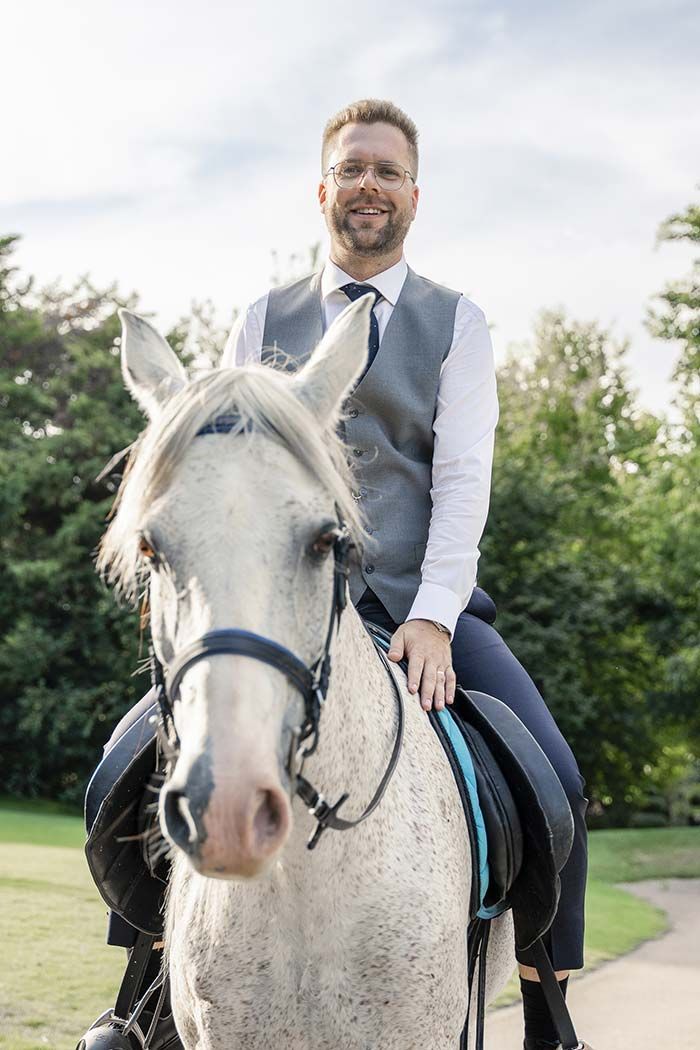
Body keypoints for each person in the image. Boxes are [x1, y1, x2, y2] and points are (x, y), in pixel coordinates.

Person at [78, 99, 588, 1050]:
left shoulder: (456, 323)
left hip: (421, 605)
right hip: (278, 601)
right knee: (125, 764)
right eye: (352, 168)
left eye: (388, 171)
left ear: (413, 196)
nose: (369, 185)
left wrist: (434, 618)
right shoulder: (259, 319)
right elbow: (223, 476)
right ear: (323, 191)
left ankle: (547, 1009)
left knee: (550, 773)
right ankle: (142, 987)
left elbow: (463, 483)